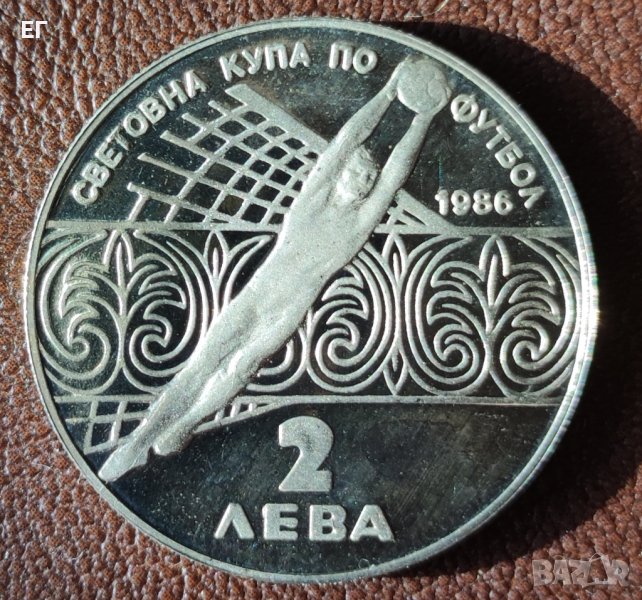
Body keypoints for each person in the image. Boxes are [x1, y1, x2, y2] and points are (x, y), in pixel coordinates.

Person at [99, 57, 452, 481]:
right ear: (339, 173)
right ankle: (139, 440)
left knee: (239, 369)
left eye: (369, 178)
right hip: (254, 299)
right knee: (201, 365)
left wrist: (424, 119)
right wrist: (388, 92)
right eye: (358, 170)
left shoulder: (360, 224)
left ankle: (182, 426)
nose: (364, 180)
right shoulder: (310, 203)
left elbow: (396, 174)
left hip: (286, 313)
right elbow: (347, 139)